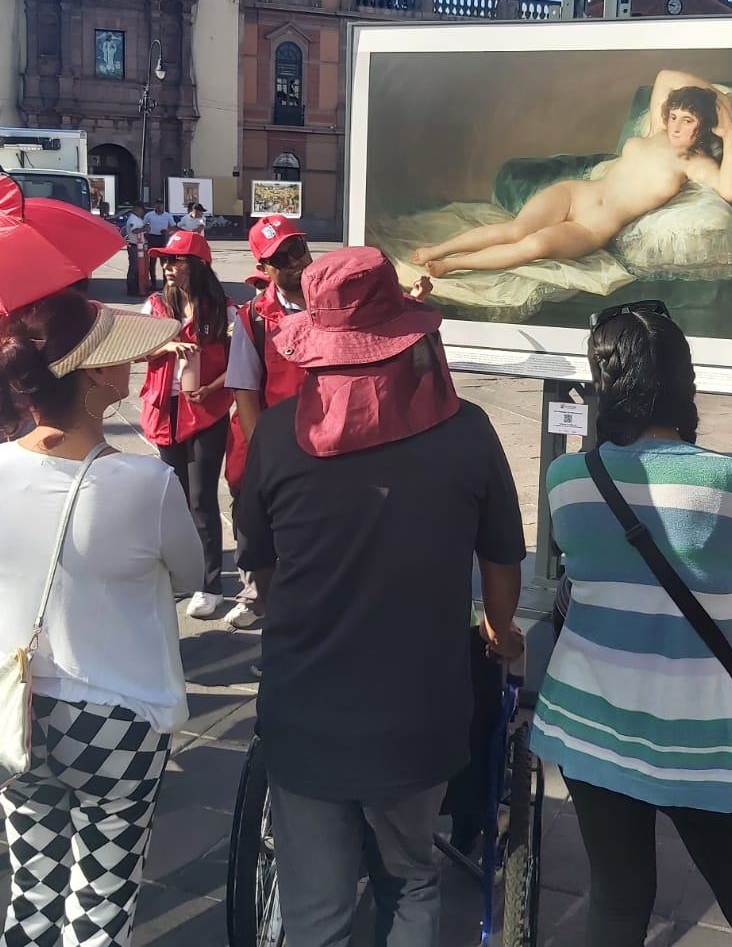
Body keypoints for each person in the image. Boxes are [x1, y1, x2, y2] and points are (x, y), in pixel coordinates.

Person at [235, 247, 527, 947]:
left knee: (316, 909)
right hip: (418, 715)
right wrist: (501, 628)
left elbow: (262, 569)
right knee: (411, 878)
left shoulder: (276, 436)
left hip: (305, 709)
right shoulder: (468, 433)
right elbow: (503, 559)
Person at [530, 300, 732, 946]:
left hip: (587, 718)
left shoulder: (568, 478)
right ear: (686, 382)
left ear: (605, 388)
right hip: (700, 730)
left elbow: (583, 558)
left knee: (619, 901)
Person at [0, 291, 202, 947]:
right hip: (119, 718)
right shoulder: (146, 485)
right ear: (97, 374)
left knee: (34, 887)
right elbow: (191, 574)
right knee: (101, 903)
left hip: (21, 710)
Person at [412, 71, 732, 276]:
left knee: (533, 245)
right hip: (576, 193)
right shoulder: (658, 130)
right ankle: (438, 250)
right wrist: (715, 97)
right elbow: (666, 77)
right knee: (516, 230)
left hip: (591, 227)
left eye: (688, 121)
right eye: (675, 116)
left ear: (703, 128)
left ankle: (448, 266)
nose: (675, 126)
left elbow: (731, 191)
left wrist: (728, 132)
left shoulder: (693, 163)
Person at [222, 215, 313, 630]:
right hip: (284, 453)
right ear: (265, 269)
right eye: (281, 257)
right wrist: (267, 463)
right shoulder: (252, 319)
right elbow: (245, 393)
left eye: (298, 249)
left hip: (333, 453)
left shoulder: (336, 304)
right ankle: (276, 626)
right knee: (276, 551)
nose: (295, 261)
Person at [139, 229, 234, 619]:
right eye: (165, 260)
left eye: (176, 260)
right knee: (171, 500)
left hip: (206, 412)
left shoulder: (223, 310)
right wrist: (166, 346)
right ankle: (179, 575)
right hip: (165, 411)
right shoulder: (156, 305)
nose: (168, 266)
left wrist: (212, 387)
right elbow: (135, 349)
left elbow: (242, 363)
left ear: (197, 265)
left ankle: (210, 584)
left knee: (200, 499)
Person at [142, 200, 176, 292]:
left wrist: (167, 231)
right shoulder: (149, 215)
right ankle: (153, 283)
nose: (159, 206)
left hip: (162, 239)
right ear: (155, 205)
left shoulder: (168, 215)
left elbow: (173, 226)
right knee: (152, 263)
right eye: (157, 204)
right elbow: (143, 224)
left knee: (164, 262)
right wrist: (146, 233)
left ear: (163, 205)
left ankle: (165, 283)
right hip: (152, 238)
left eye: (161, 204)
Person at [124, 202, 148, 298]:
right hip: (134, 246)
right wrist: (143, 229)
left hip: (140, 246)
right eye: (141, 210)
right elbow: (134, 230)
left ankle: (138, 288)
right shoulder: (132, 219)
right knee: (134, 267)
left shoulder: (138, 219)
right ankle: (131, 289)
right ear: (137, 209)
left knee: (139, 268)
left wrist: (146, 229)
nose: (142, 212)